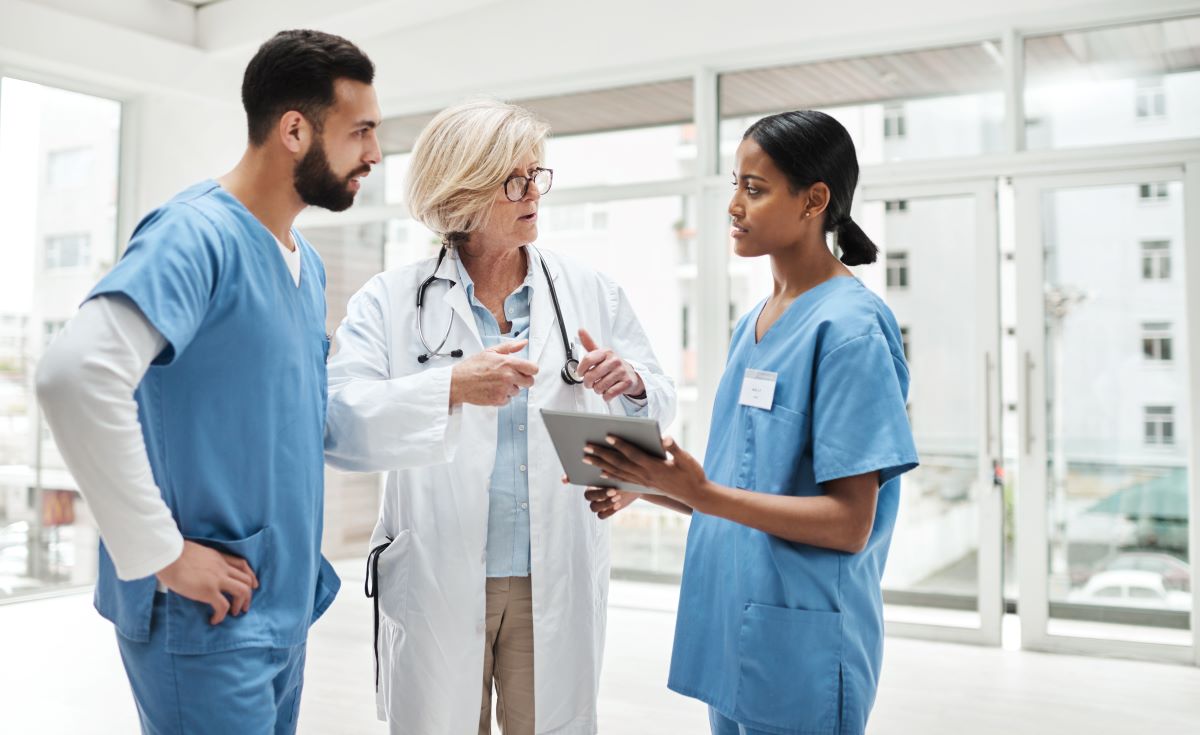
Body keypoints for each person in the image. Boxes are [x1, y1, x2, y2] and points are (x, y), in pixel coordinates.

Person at [35, 30, 381, 735]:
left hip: (276, 609)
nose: (374, 155)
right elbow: (74, 375)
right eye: (361, 133)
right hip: (205, 618)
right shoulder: (194, 235)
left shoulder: (305, 265)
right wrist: (160, 553)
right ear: (294, 130)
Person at [324, 98, 676, 735]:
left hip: (554, 572)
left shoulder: (589, 290)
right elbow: (341, 423)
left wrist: (633, 385)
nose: (534, 193)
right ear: (462, 190)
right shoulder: (390, 299)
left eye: (537, 175)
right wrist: (450, 387)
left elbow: (656, 400)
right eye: (515, 181)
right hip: (438, 569)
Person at [578, 110, 918, 735]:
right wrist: (649, 485)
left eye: (754, 189)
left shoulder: (849, 330)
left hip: (804, 644)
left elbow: (848, 524)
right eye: (735, 184)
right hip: (737, 632)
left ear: (815, 199)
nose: (733, 205)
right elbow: (743, 490)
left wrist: (698, 491)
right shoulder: (753, 325)